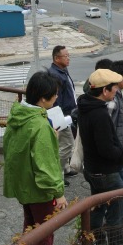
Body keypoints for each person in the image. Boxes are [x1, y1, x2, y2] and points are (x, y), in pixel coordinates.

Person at [3, 71, 68, 245]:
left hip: (24, 185)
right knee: (44, 237)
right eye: (54, 94)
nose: (56, 97)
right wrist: (59, 193)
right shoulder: (39, 125)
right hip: (40, 190)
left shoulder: (18, 115)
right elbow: (45, 166)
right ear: (43, 98)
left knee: (30, 230)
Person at [77, 69, 123, 245]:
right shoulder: (100, 114)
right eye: (114, 89)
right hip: (107, 173)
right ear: (105, 90)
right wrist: (122, 153)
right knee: (116, 214)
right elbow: (106, 149)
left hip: (92, 169)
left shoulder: (85, 105)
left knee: (97, 209)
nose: (116, 92)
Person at [48, 45, 78, 186]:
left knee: (63, 144)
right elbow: (55, 100)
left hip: (67, 114)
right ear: (56, 58)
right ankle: (57, 174)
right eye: (65, 56)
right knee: (67, 144)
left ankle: (65, 169)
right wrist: (59, 119)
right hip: (61, 116)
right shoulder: (55, 75)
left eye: (68, 55)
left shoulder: (61, 70)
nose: (68, 58)